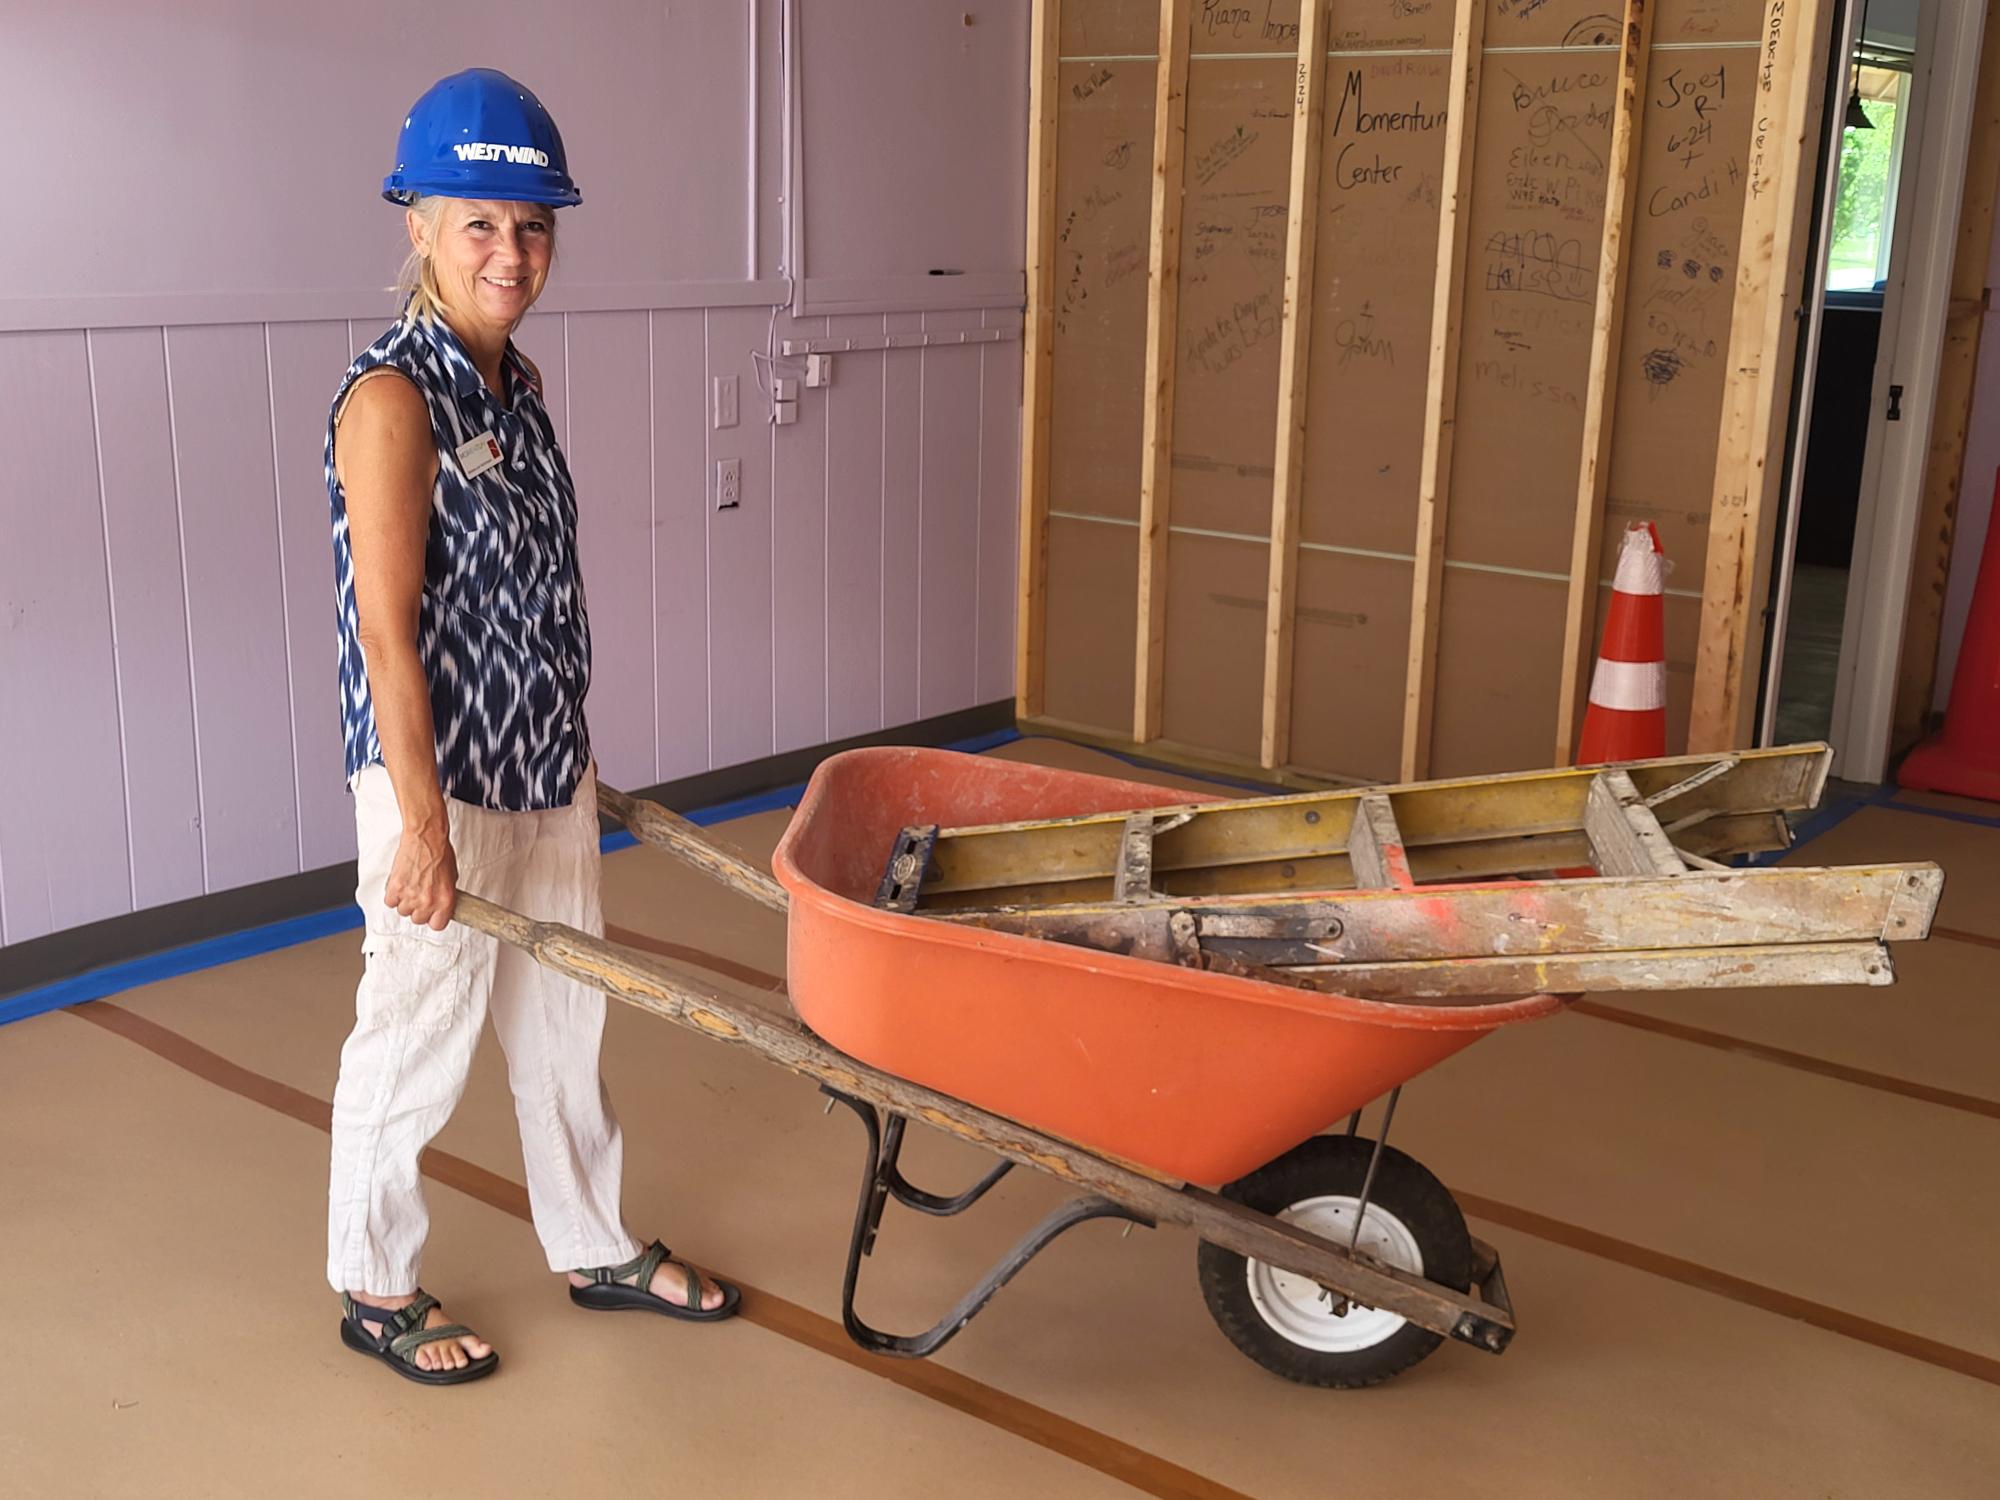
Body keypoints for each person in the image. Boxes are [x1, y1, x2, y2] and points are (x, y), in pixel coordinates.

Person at [323, 67, 739, 1386]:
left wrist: (574, 756)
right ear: (419, 227)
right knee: (416, 1029)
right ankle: (375, 1285)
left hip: (543, 772)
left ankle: (592, 1243)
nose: (510, 251)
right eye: (480, 223)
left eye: (532, 224)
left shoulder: (517, 393)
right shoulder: (393, 401)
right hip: (438, 786)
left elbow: (527, 600)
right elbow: (388, 634)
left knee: (567, 1026)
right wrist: (423, 826)